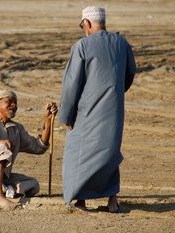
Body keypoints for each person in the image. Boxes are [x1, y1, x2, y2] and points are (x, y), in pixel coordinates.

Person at [59, 6, 136, 212]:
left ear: (87, 23)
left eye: (82, 24)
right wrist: (115, 92)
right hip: (114, 109)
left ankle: (80, 201)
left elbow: (72, 83)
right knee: (110, 152)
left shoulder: (82, 45)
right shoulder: (122, 43)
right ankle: (112, 200)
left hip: (87, 110)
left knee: (78, 153)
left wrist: (67, 114)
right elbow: (129, 74)